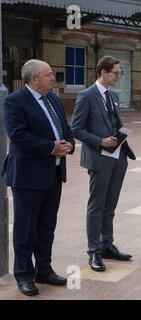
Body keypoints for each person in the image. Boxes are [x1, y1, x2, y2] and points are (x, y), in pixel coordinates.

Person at [1, 59, 75, 296]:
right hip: (28, 176)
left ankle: (44, 269)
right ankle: (24, 274)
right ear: (33, 79)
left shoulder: (52, 98)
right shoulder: (14, 101)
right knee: (25, 228)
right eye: (48, 74)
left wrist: (69, 145)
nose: (53, 78)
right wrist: (51, 147)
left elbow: (65, 127)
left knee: (47, 226)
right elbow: (18, 135)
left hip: (53, 173)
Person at [71, 56, 136, 272]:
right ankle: (93, 251)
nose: (119, 76)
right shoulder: (86, 96)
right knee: (96, 206)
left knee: (111, 205)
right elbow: (76, 129)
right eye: (116, 72)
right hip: (99, 158)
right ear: (103, 72)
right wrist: (100, 141)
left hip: (118, 158)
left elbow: (116, 122)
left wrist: (121, 135)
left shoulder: (114, 96)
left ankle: (107, 245)